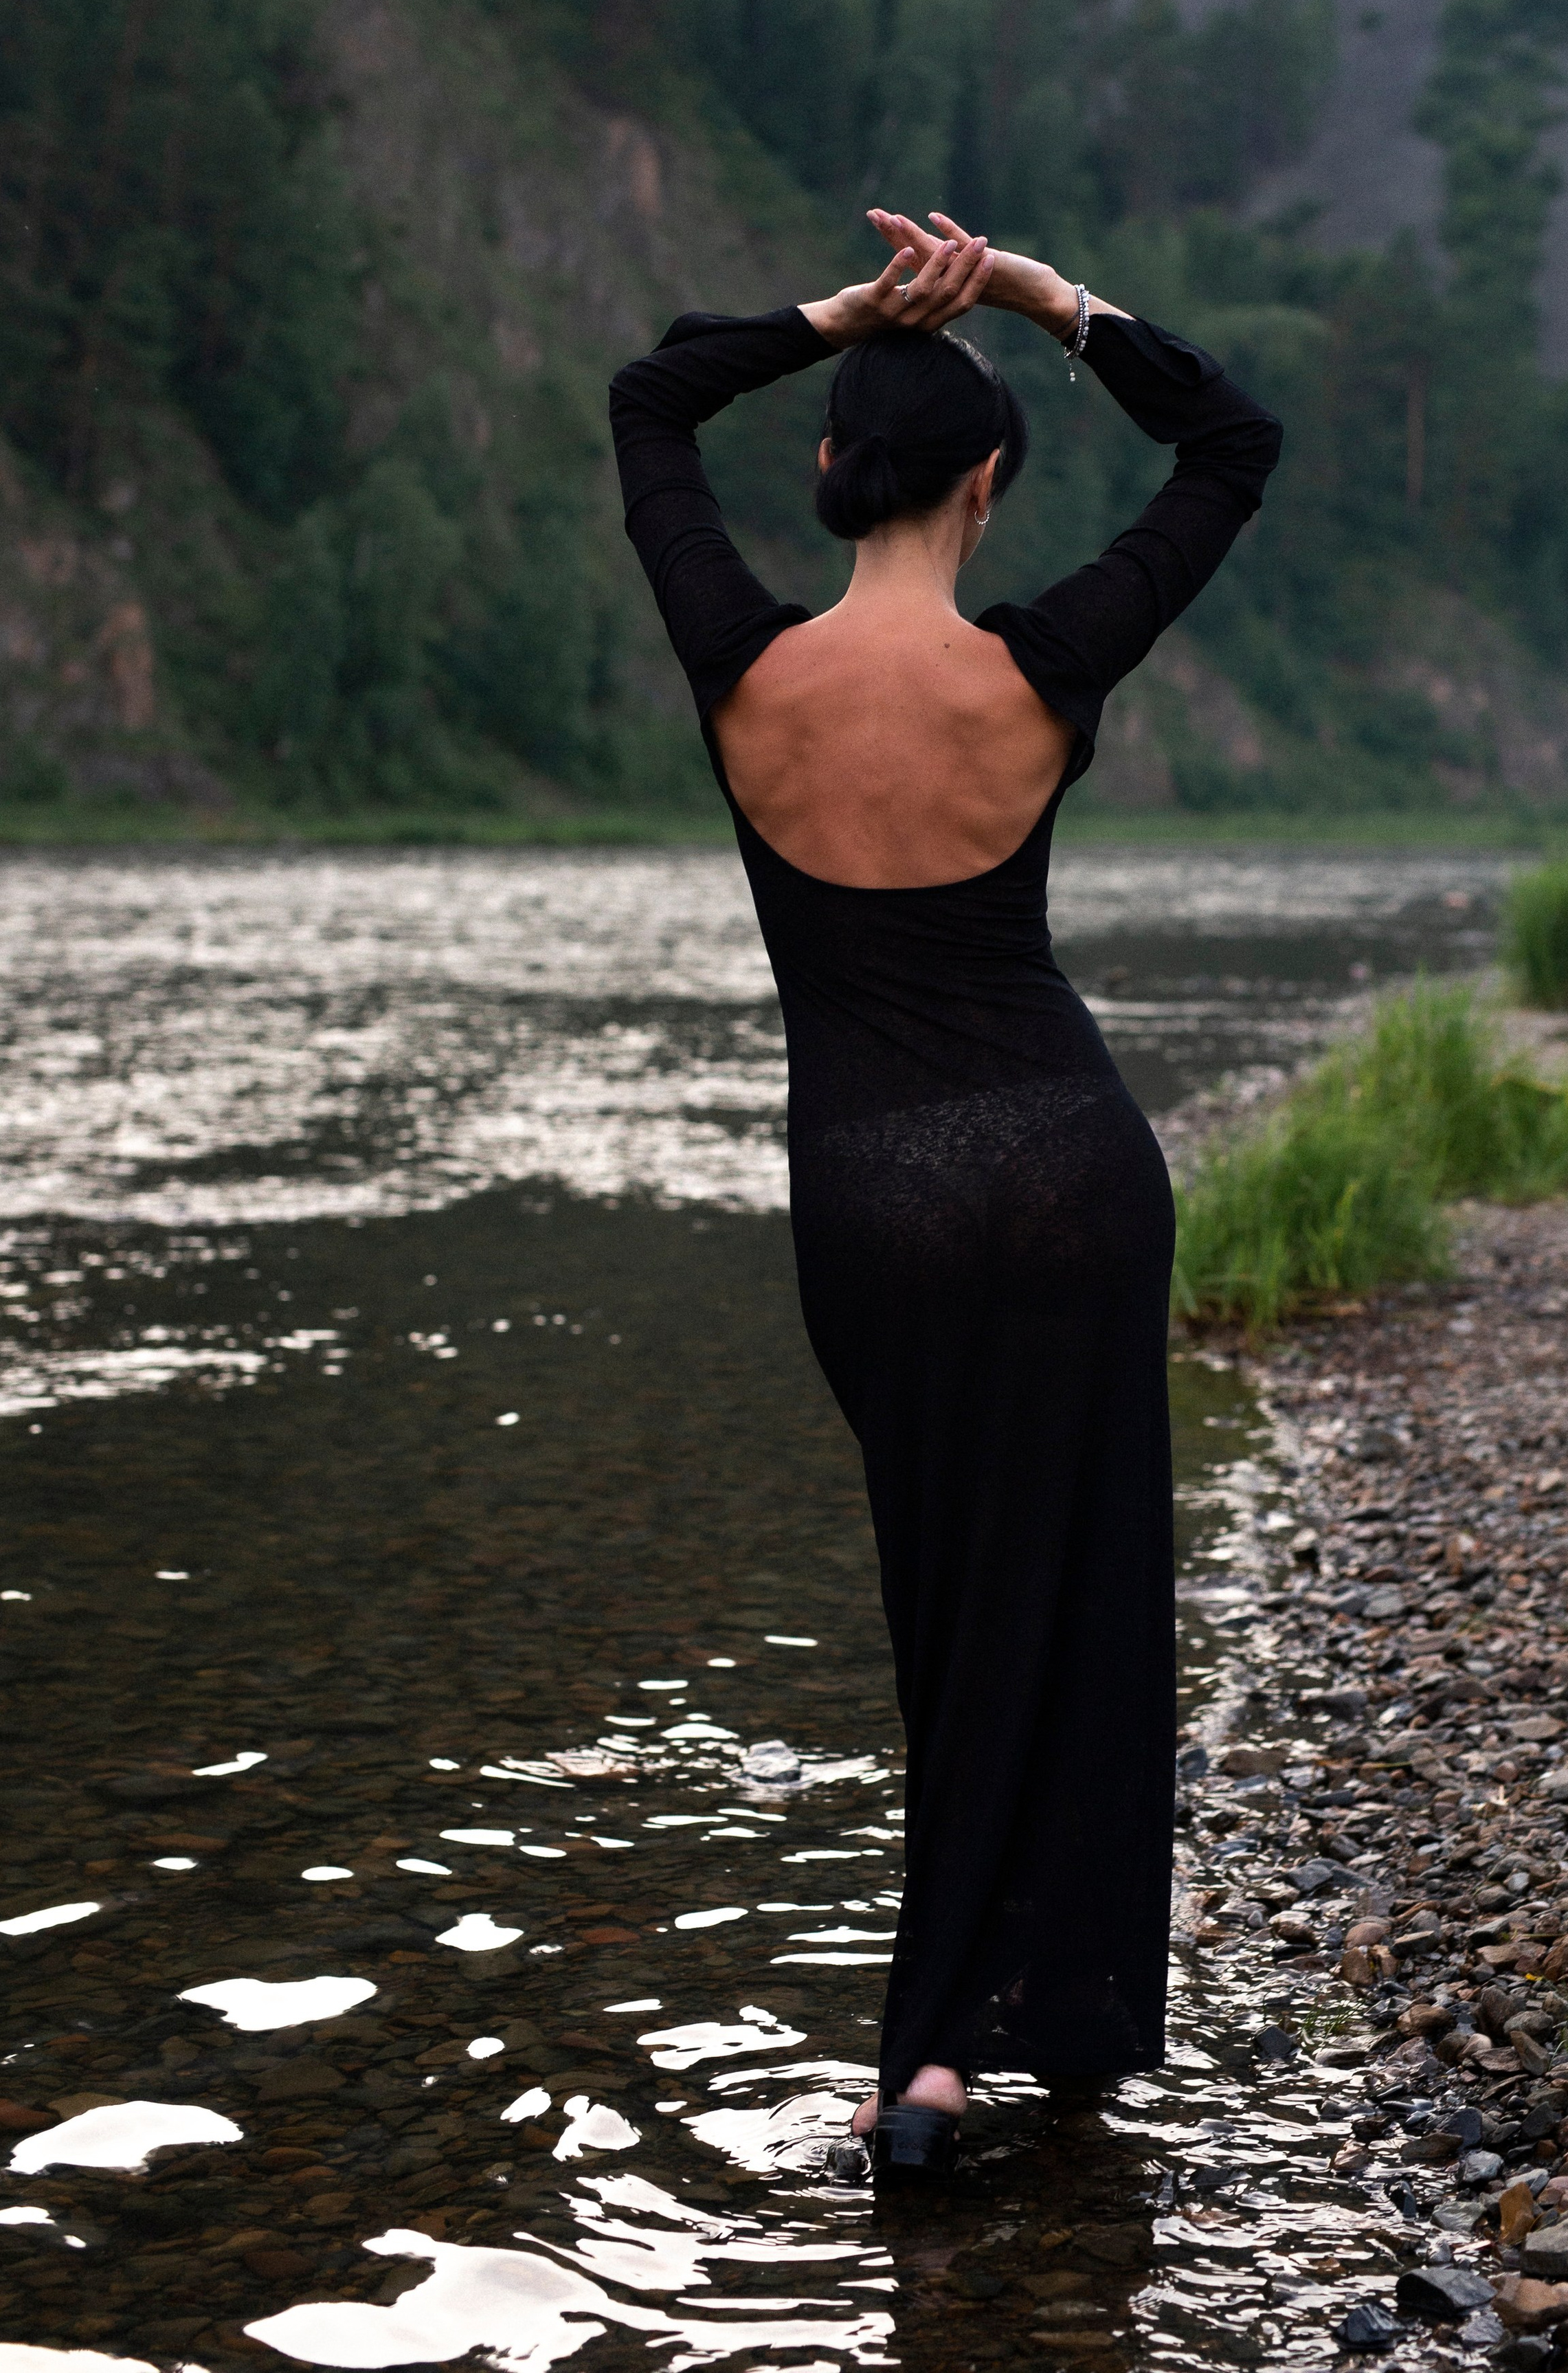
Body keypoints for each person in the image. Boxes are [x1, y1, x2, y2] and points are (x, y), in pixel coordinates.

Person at [608, 208, 1283, 2185]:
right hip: (1071, 1168)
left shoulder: (742, 664)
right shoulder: (1046, 661)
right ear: (984, 487)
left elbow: (650, 395)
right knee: (1084, 1597)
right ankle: (1050, 2035)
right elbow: (1233, 444)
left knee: (951, 1608)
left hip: (875, 1198)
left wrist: (833, 309)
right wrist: (1040, 298)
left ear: (827, 477)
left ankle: (931, 2067)